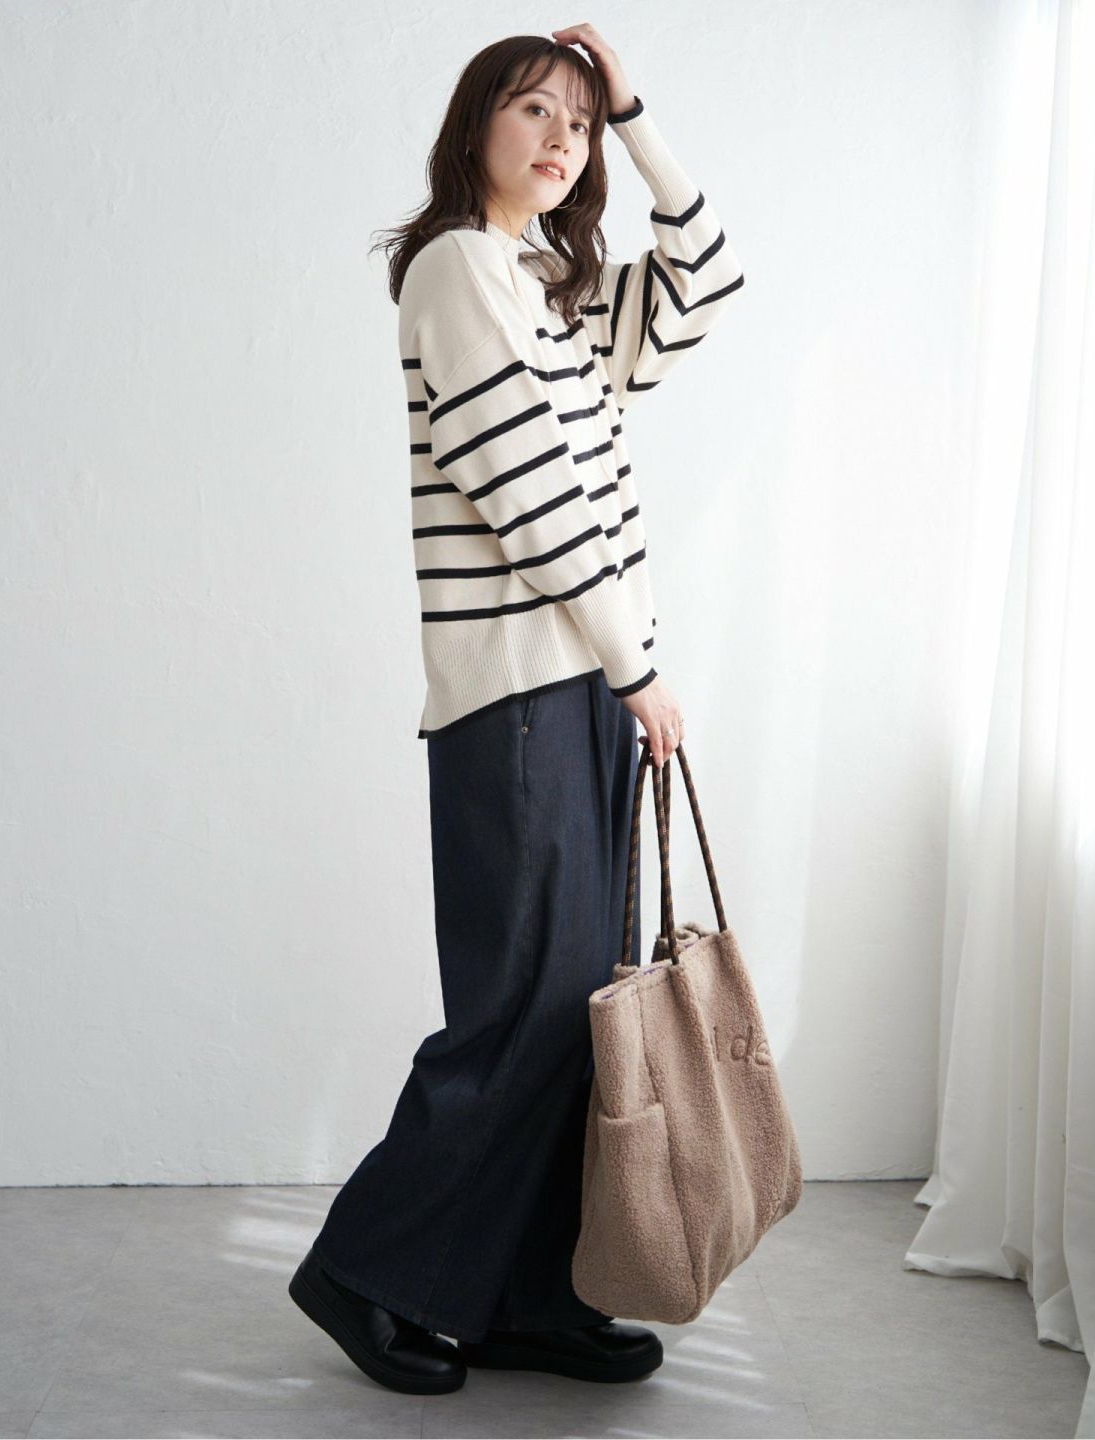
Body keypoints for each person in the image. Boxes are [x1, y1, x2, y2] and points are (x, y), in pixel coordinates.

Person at [288, 23, 745, 1395]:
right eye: (533, 109)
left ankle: (529, 1294)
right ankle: (368, 1270)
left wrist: (639, 114)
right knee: (524, 1009)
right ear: (475, 125)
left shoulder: (550, 288)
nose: (561, 138)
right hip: (526, 692)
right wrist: (636, 665)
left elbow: (709, 280)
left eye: (580, 123)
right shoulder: (457, 270)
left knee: (585, 1011)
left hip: (586, 681)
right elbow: (529, 498)